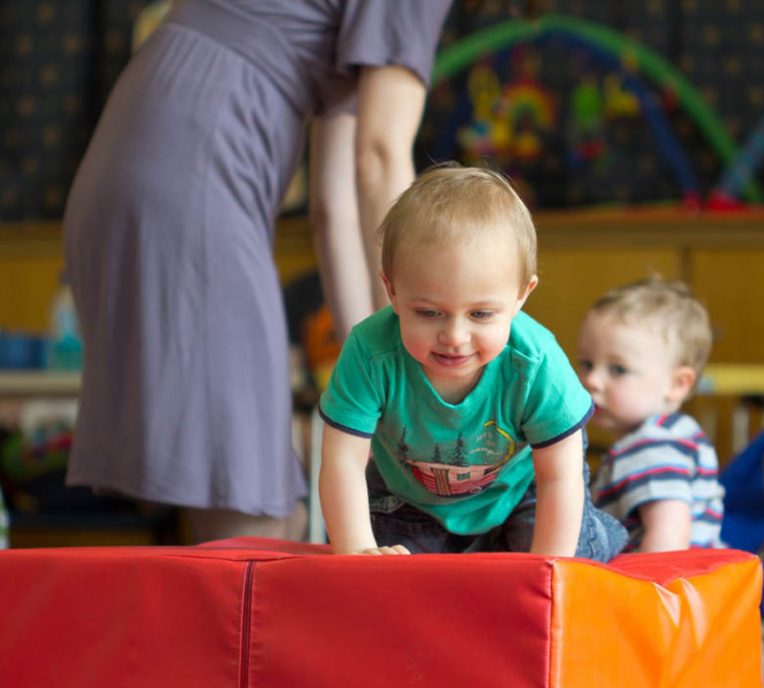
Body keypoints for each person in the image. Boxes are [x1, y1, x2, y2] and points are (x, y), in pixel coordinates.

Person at [63, 1, 453, 542]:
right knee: (255, 512)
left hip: (140, 139)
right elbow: (382, 155)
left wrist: (372, 364)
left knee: (247, 497)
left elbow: (333, 208)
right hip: (190, 176)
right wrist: (422, 360)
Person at [317, 165, 627, 561]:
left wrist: (547, 573)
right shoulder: (370, 351)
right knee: (397, 574)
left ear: (520, 296)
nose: (455, 337)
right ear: (392, 291)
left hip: (525, 492)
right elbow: (343, 461)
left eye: (480, 315)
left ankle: (600, 532)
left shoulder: (534, 360)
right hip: (411, 502)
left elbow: (558, 476)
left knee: (561, 551)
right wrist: (357, 552)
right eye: (429, 313)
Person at [576, 277, 725, 552]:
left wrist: (640, 594)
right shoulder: (676, 434)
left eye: (618, 369)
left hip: (660, 591)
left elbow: (668, 542)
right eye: (586, 363)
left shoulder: (651, 446)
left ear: (676, 384)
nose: (592, 380)